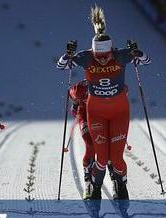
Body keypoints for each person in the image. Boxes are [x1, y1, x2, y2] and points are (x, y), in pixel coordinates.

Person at [57, 6, 150, 207]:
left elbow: (145, 61)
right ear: (93, 51)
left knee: (116, 158)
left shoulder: (120, 54)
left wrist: (137, 52)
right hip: (96, 112)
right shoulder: (86, 56)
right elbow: (61, 66)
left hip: (119, 112)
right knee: (101, 155)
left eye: (106, 55)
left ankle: (121, 186)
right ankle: (95, 189)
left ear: (111, 49)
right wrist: (68, 54)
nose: (102, 59)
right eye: (99, 56)